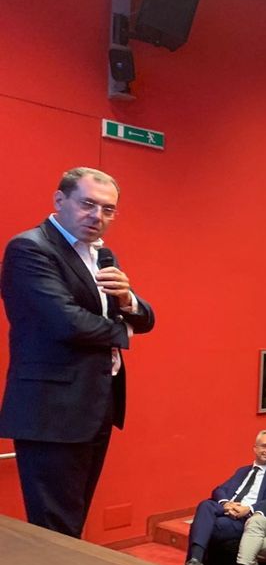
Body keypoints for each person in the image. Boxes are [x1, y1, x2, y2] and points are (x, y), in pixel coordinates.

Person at [0, 167, 156, 538]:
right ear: (60, 200)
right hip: (51, 410)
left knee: (72, 522)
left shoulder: (102, 255)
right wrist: (122, 331)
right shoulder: (30, 248)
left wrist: (126, 300)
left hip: (94, 404)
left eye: (108, 209)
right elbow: (66, 322)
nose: (97, 216)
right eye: (88, 204)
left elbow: (146, 318)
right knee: (54, 529)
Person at [181, 430, 266, 565]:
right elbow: (219, 489)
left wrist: (248, 509)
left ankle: (195, 562)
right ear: (255, 448)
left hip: (246, 518)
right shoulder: (242, 471)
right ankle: (196, 562)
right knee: (205, 505)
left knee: (204, 525)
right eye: (264, 446)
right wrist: (226, 503)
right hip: (228, 510)